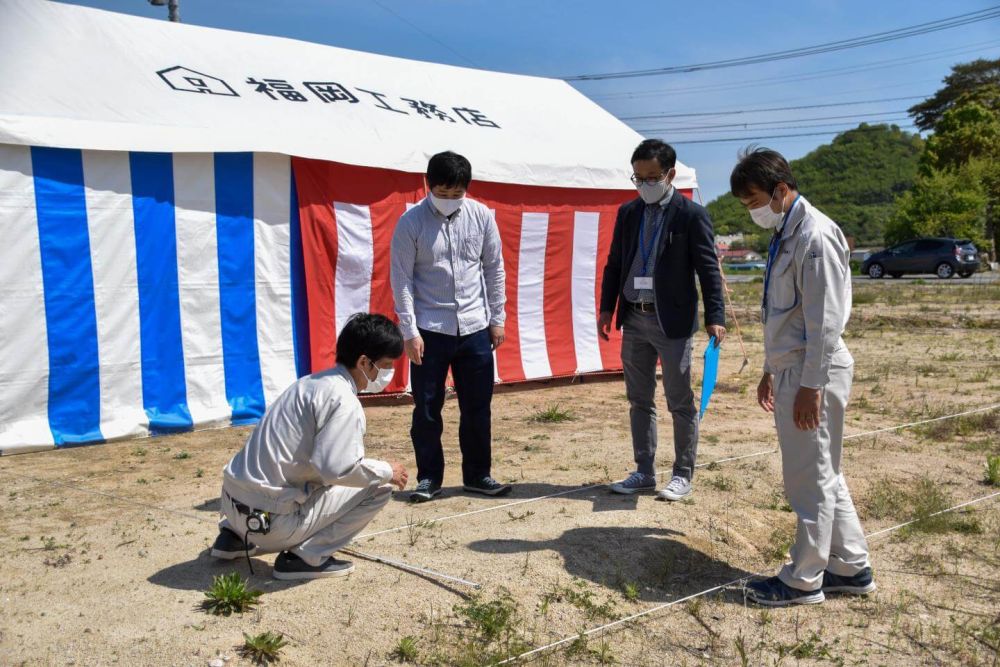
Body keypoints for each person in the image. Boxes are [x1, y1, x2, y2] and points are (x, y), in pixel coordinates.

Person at [730, 147, 875, 606]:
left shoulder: (814, 235)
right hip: (795, 368)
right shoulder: (786, 234)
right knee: (824, 472)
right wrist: (771, 370)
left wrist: (810, 385)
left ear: (780, 190)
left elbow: (826, 321)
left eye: (755, 201)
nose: (753, 211)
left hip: (816, 372)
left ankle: (803, 579)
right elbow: (784, 312)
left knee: (808, 480)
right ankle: (850, 566)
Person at [209, 313, 409, 580]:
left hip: (232, 505)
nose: (387, 373)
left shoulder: (307, 384)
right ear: (364, 362)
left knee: (293, 470)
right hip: (271, 524)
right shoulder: (343, 400)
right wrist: (388, 470)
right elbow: (337, 469)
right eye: (384, 365)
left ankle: (233, 537)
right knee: (379, 486)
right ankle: (305, 557)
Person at [599, 139, 726, 501]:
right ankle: (643, 471)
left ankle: (682, 473)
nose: (645, 184)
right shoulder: (628, 213)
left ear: (670, 174)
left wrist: (715, 316)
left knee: (679, 401)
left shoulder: (692, 216)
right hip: (634, 317)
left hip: (671, 321)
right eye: (638, 178)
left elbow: (708, 271)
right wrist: (607, 308)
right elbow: (614, 263)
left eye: (652, 177)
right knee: (639, 399)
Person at [390, 151, 509, 502]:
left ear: (466, 189)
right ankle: (429, 478)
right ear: (429, 186)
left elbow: (494, 269)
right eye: (442, 192)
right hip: (429, 329)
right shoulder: (410, 222)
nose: (449, 199)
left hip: (474, 327)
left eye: (457, 193)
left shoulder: (482, 216)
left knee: (477, 406)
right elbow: (401, 279)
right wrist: (409, 330)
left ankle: (478, 475)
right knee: (427, 407)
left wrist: (497, 318)